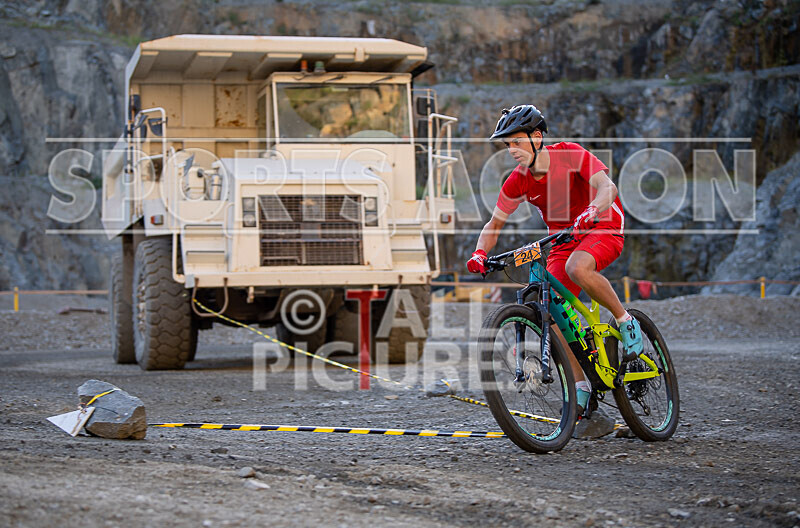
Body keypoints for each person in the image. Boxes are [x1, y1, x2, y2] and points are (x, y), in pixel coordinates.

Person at [466, 104, 643, 414]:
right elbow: (493, 225)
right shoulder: (517, 181)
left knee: (577, 267)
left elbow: (607, 187)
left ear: (537, 137)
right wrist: (480, 253)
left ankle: (625, 320)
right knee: (550, 311)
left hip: (602, 225)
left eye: (517, 142)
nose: (512, 150)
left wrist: (592, 210)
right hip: (564, 239)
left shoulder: (570, 154)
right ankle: (581, 386)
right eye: (507, 145)